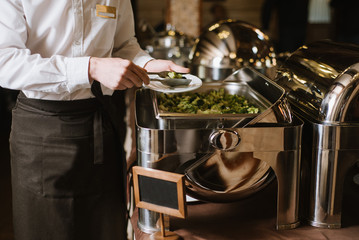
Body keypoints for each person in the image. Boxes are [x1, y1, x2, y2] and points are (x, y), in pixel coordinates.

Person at [0, 1, 189, 240]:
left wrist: (147, 65)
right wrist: (89, 67)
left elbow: (123, 45)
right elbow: (4, 61)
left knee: (106, 229)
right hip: (42, 129)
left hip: (101, 123)